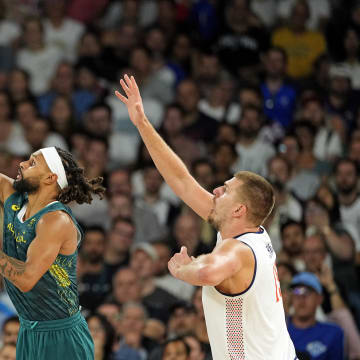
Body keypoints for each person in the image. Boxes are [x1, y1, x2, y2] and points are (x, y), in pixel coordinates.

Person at [116, 74, 297, 359]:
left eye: (225, 191)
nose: (215, 190)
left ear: (239, 210)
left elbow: (206, 272)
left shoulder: (237, 249)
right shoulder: (247, 232)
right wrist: (143, 123)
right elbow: (182, 180)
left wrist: (181, 269)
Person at [0, 146, 106, 359]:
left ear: (50, 177)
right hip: (28, 328)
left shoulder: (55, 220)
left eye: (32, 163)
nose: (21, 164)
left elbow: (26, 278)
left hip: (62, 336)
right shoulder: (12, 195)